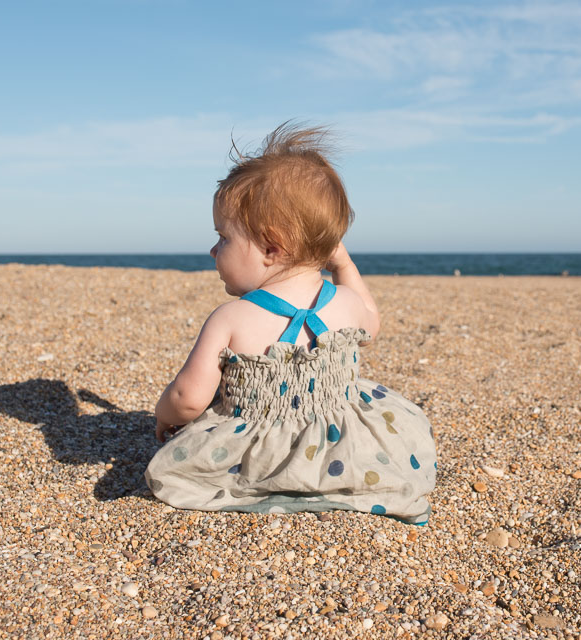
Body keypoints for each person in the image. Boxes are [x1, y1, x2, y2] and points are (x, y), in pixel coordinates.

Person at [144, 123, 436, 525]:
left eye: (223, 238)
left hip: (259, 454)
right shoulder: (346, 303)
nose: (213, 249)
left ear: (271, 248)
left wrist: (165, 416)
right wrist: (344, 265)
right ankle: (343, 488)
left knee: (176, 470)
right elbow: (370, 325)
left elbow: (188, 397)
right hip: (342, 449)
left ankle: (268, 487)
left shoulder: (230, 318)